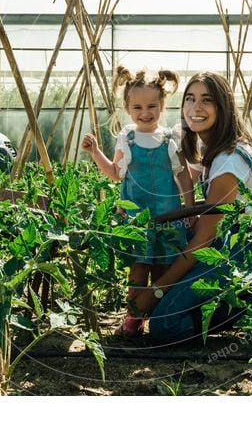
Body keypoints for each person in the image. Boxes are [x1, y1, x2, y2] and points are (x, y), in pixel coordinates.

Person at [132, 71, 252, 345]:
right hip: (242, 245)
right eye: (190, 99)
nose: (195, 108)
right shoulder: (223, 150)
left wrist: (156, 292)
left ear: (224, 107)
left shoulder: (227, 163)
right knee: (175, 235)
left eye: (206, 100)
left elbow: (204, 240)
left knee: (166, 325)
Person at [81, 66, 194, 336]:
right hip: (136, 220)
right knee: (138, 269)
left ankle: (159, 319)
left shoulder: (170, 138)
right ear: (128, 108)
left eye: (152, 106)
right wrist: (95, 152)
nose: (146, 113)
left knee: (163, 268)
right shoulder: (128, 138)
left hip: (168, 216)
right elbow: (115, 174)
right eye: (138, 107)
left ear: (162, 106)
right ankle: (133, 319)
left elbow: (184, 175)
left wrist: (188, 208)